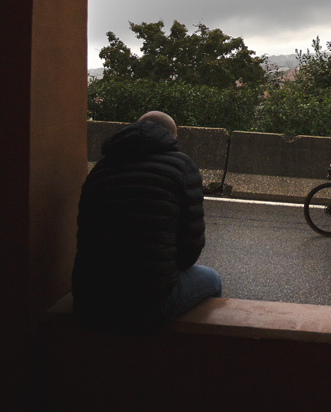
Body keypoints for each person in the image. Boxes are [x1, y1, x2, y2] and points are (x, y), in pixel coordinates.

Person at [72, 110, 222, 332]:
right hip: (148, 303)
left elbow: (85, 233)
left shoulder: (99, 169)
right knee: (212, 279)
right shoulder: (181, 166)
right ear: (172, 138)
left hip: (88, 300)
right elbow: (191, 248)